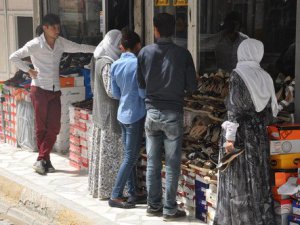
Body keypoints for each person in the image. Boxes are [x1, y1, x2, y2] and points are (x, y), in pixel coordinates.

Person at [9, 14, 95, 175]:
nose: (57, 30)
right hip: (39, 89)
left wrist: (99, 49)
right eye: (53, 27)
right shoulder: (35, 44)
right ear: (45, 28)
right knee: (41, 127)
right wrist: (28, 70)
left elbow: (80, 47)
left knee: (54, 127)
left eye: (58, 26)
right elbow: (13, 57)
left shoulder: (61, 43)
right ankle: (45, 160)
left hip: (55, 91)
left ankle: (41, 159)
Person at [137, 13, 197, 220]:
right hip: (173, 113)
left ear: (155, 29)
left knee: (153, 162)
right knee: (171, 164)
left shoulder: (145, 52)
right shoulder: (183, 54)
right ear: (175, 29)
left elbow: (141, 84)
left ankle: (153, 205)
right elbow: (193, 87)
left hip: (152, 113)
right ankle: (169, 209)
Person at [214, 39, 278, 225]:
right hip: (258, 135)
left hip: (240, 135)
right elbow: (271, 113)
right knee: (257, 177)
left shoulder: (238, 75)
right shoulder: (265, 76)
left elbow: (233, 111)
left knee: (238, 179)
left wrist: (229, 139)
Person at [108, 28, 146, 208]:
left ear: (122, 46)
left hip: (122, 114)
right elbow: (142, 92)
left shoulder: (115, 65)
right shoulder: (138, 64)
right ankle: (116, 195)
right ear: (138, 45)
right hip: (135, 115)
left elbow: (114, 93)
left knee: (128, 155)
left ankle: (133, 192)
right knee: (130, 157)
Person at [88, 29, 123, 199]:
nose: (121, 47)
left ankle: (102, 188)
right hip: (109, 114)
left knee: (104, 155)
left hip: (100, 112)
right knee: (111, 155)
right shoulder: (108, 63)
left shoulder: (98, 58)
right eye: (119, 44)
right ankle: (110, 190)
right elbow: (112, 91)